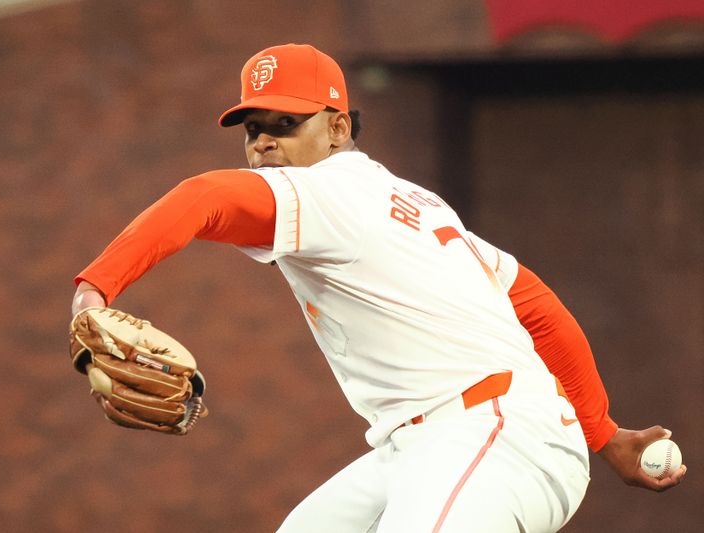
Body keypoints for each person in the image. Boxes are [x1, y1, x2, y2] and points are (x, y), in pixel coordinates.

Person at [71, 43, 686, 532]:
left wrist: (94, 291)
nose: (264, 142)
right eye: (252, 127)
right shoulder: (416, 203)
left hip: (492, 435)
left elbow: (202, 198)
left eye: (286, 122)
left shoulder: (330, 190)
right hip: (431, 444)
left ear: (338, 129)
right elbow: (541, 311)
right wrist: (603, 437)